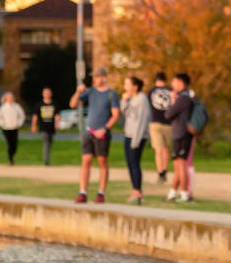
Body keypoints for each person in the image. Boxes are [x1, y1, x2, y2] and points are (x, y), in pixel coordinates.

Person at [69, 68, 121, 204]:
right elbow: (73, 104)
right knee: (86, 160)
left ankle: (101, 193)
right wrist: (78, 91)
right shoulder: (90, 92)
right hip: (88, 132)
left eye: (97, 77)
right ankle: (83, 192)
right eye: (94, 77)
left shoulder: (111, 94)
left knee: (102, 162)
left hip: (102, 133)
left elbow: (116, 115)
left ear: (104, 78)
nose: (94, 79)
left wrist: (104, 129)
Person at [163, 72, 194, 203]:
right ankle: (172, 193)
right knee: (177, 164)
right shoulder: (185, 96)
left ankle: (185, 194)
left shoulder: (183, 98)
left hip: (182, 133)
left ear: (181, 82)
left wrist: (172, 101)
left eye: (174, 81)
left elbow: (168, 114)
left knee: (181, 164)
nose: (172, 84)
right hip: (180, 133)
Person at [121, 76, 150, 205]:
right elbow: (124, 113)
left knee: (134, 163)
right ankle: (135, 190)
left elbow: (142, 121)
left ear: (135, 86)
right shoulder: (130, 99)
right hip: (128, 134)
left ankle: (138, 191)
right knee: (130, 164)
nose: (125, 87)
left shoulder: (142, 99)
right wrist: (124, 100)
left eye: (127, 84)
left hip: (137, 136)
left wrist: (136, 140)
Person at [147, 71, 173, 183]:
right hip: (168, 123)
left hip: (156, 123)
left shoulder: (151, 91)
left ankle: (161, 173)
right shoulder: (171, 91)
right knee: (165, 149)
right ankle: (164, 172)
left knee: (159, 150)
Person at [31, 87, 60, 166]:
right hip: (43, 127)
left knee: (49, 143)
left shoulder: (54, 104)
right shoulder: (39, 105)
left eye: (48, 93)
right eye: (45, 93)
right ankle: (46, 161)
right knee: (46, 142)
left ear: (51, 94)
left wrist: (57, 124)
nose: (47, 94)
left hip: (51, 127)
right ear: (43, 94)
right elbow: (35, 116)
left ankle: (47, 159)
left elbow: (57, 115)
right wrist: (33, 126)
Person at [0, 92, 26, 166]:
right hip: (6, 128)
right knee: (9, 143)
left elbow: (22, 116)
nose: (10, 99)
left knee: (14, 144)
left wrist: (18, 123)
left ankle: (12, 155)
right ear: (6, 99)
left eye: (11, 97)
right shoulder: (3, 107)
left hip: (14, 128)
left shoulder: (17, 106)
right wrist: (3, 124)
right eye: (8, 97)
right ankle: (10, 159)